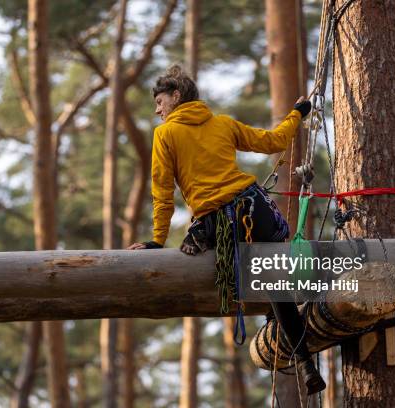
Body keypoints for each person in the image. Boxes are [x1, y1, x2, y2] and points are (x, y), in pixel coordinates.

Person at [128, 65, 325, 394]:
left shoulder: (165, 134)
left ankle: (283, 334)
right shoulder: (222, 123)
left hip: (218, 224)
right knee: (276, 282)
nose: (157, 109)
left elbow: (162, 193)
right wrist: (297, 114)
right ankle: (304, 360)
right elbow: (274, 141)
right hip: (256, 211)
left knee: (257, 276)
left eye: (160, 101)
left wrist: (157, 240)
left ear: (176, 96)